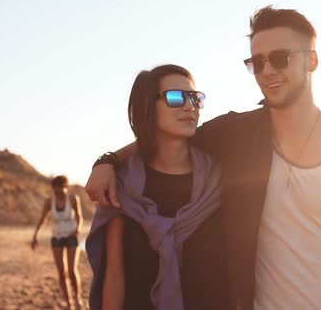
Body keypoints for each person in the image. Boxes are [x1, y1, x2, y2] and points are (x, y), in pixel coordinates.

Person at [86, 6, 321, 310]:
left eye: (280, 58)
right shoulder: (236, 136)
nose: (267, 71)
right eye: (257, 62)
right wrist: (108, 161)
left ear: (312, 60)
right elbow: (161, 138)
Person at [85, 64, 229, 310]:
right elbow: (115, 277)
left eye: (195, 98)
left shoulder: (217, 182)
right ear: (148, 108)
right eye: (175, 97)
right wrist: (107, 160)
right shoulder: (124, 185)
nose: (189, 106)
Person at [31, 175, 84, 310]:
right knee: (61, 272)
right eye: (54, 187)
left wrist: (77, 230)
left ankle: (78, 298)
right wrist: (35, 236)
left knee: (72, 271)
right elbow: (42, 218)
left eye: (60, 187)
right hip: (56, 237)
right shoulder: (49, 202)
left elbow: (79, 217)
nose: (57, 190)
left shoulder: (73, 199)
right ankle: (69, 303)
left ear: (66, 187)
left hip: (71, 236)